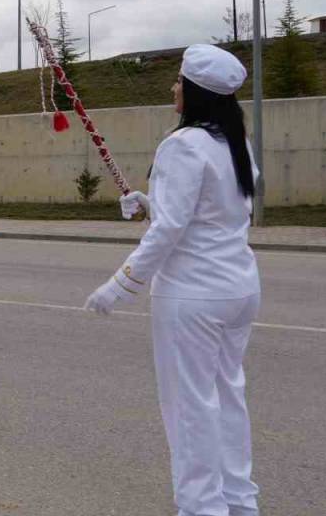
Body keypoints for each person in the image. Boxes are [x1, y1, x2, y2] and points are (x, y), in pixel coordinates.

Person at [85, 44, 262, 516]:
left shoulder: (183, 144)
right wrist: (150, 203)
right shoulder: (234, 141)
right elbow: (211, 213)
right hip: (238, 287)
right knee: (228, 397)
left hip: (194, 294)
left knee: (189, 407)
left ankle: (202, 507)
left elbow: (171, 230)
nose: (173, 88)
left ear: (197, 92)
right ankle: (238, 501)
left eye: (180, 82)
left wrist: (120, 284)